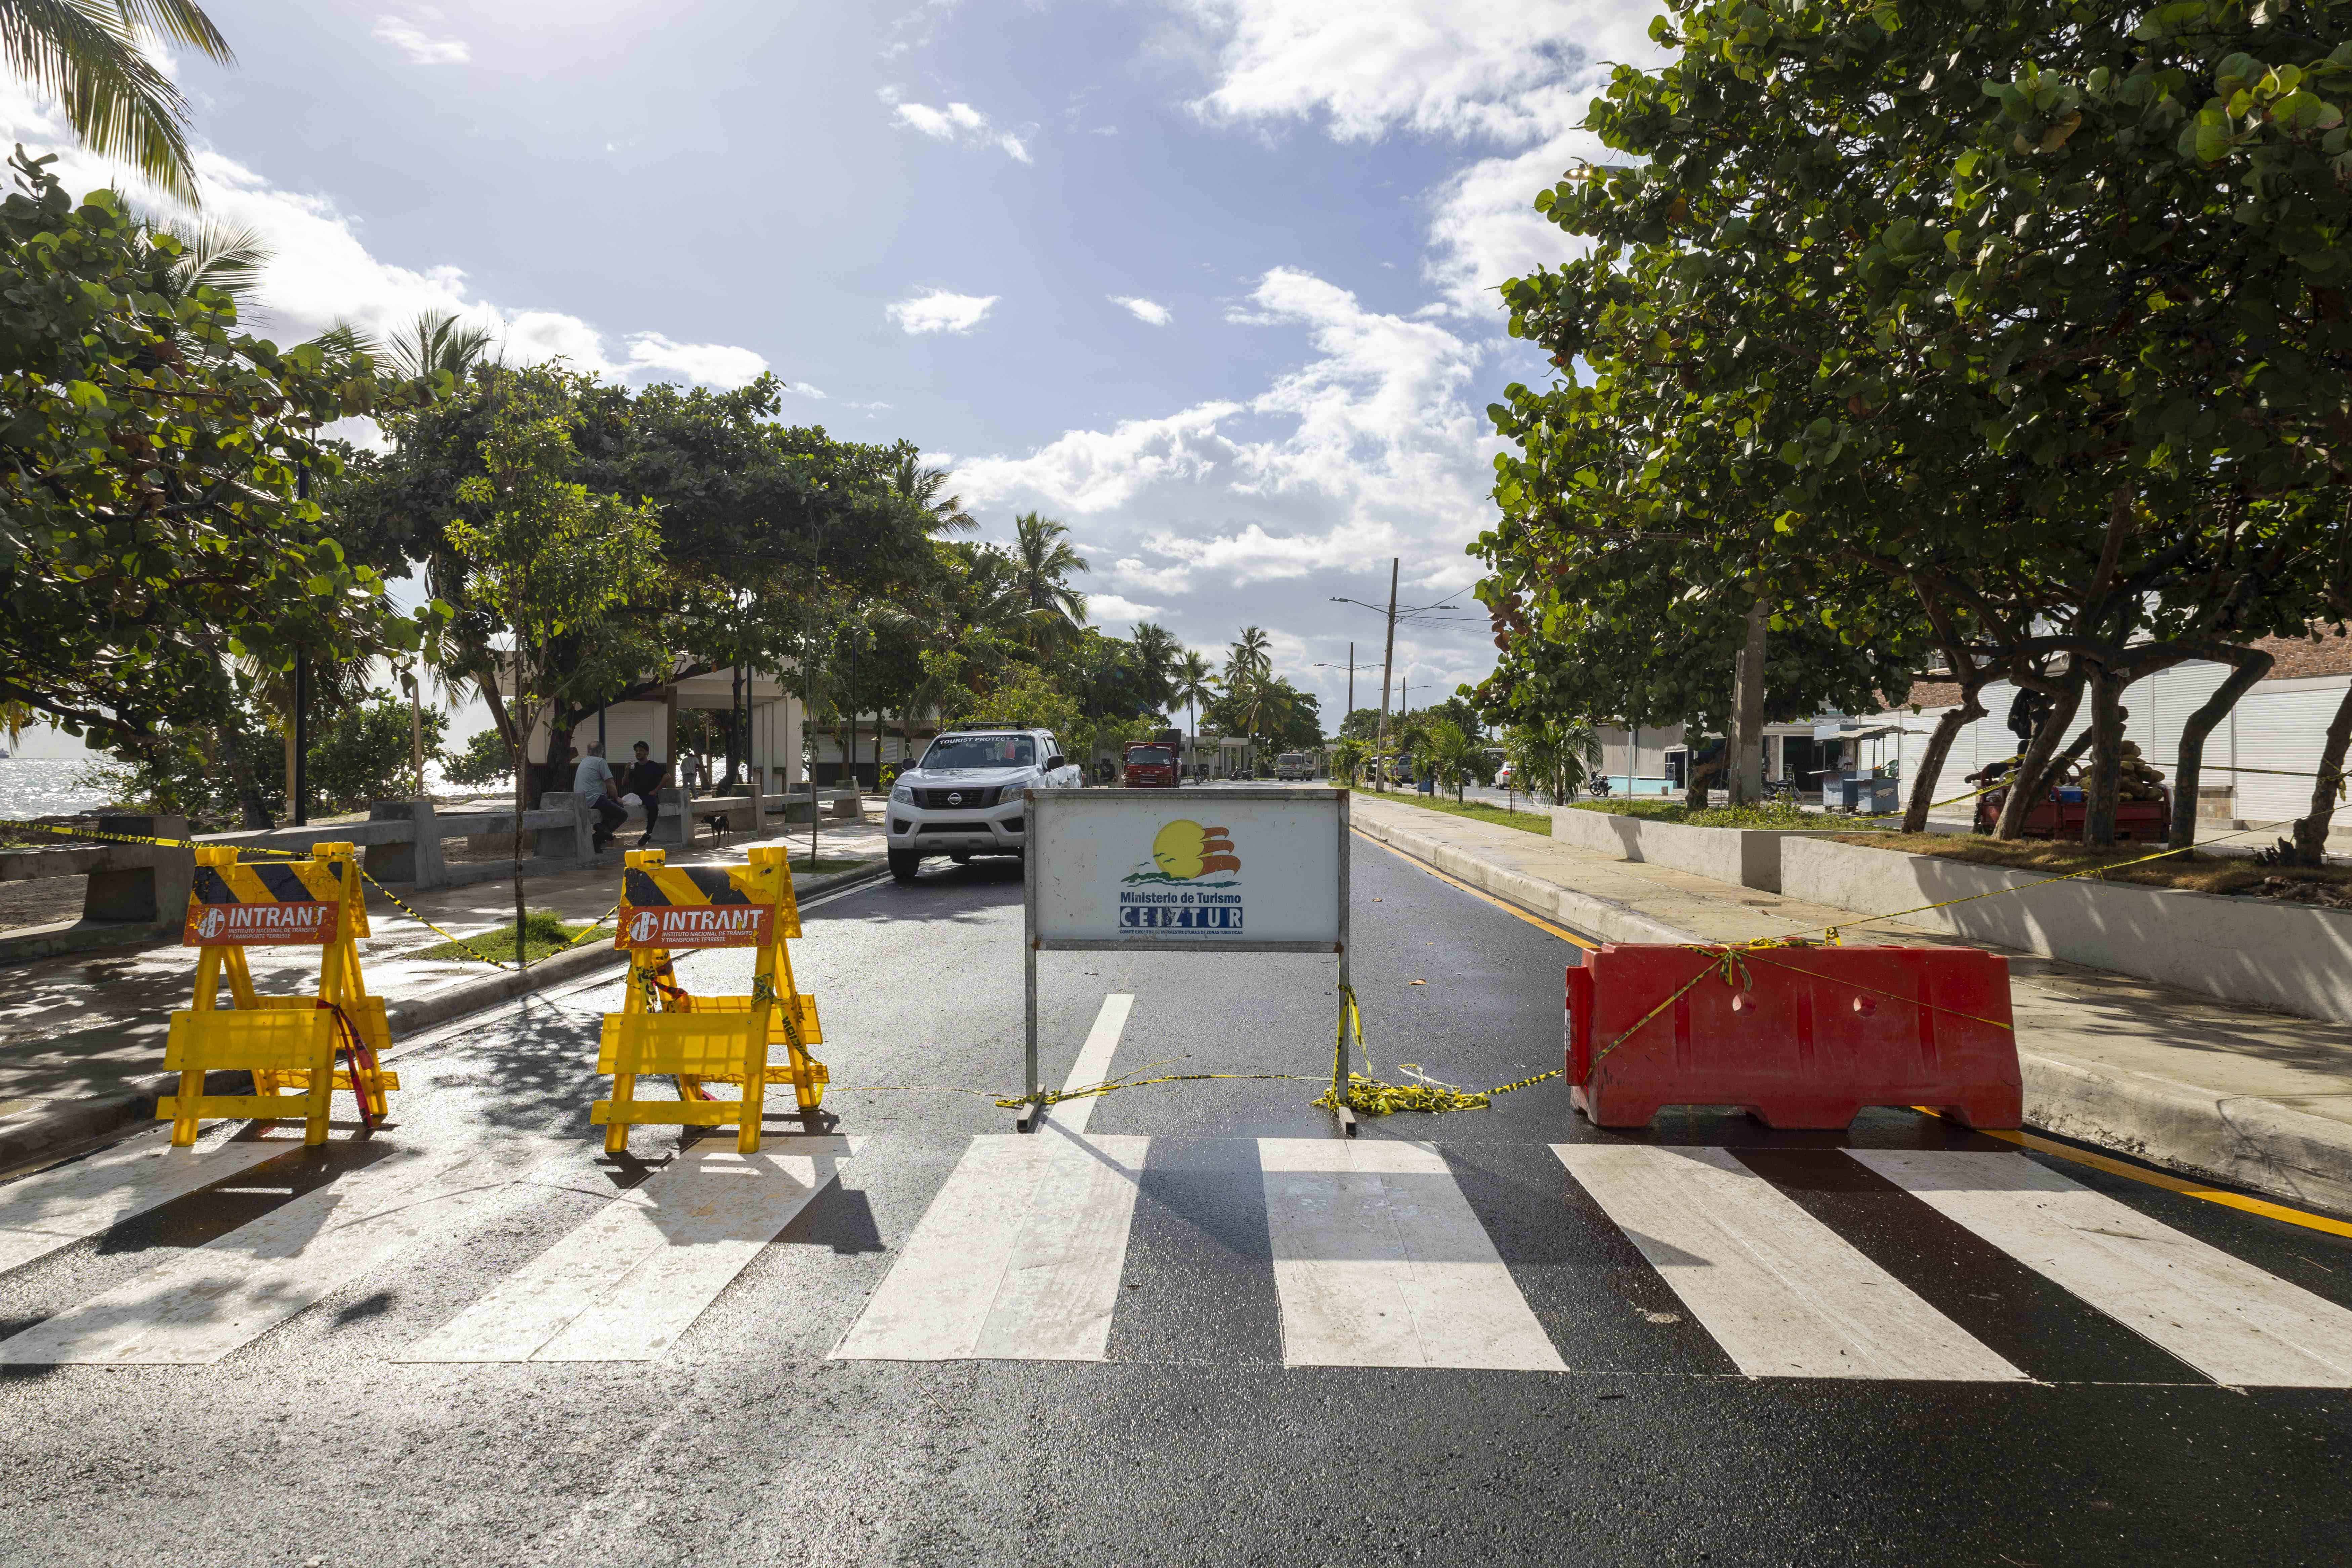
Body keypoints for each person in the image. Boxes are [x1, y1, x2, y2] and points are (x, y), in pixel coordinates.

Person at [574, 742, 627, 852]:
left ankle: (600, 838)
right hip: (594, 799)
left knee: (612, 808)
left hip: (580, 799)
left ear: (588, 751)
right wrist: (617, 798)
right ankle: (599, 834)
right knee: (622, 814)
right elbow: (610, 782)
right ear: (601, 752)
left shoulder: (584, 761)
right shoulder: (600, 761)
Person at [624, 741, 672, 849]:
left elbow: (667, 777)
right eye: (637, 751)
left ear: (647, 753)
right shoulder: (634, 767)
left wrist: (655, 790)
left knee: (653, 808)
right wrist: (627, 771)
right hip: (636, 796)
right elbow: (625, 784)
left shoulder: (653, 765)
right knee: (618, 803)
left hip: (649, 796)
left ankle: (648, 834)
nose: (638, 753)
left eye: (641, 750)